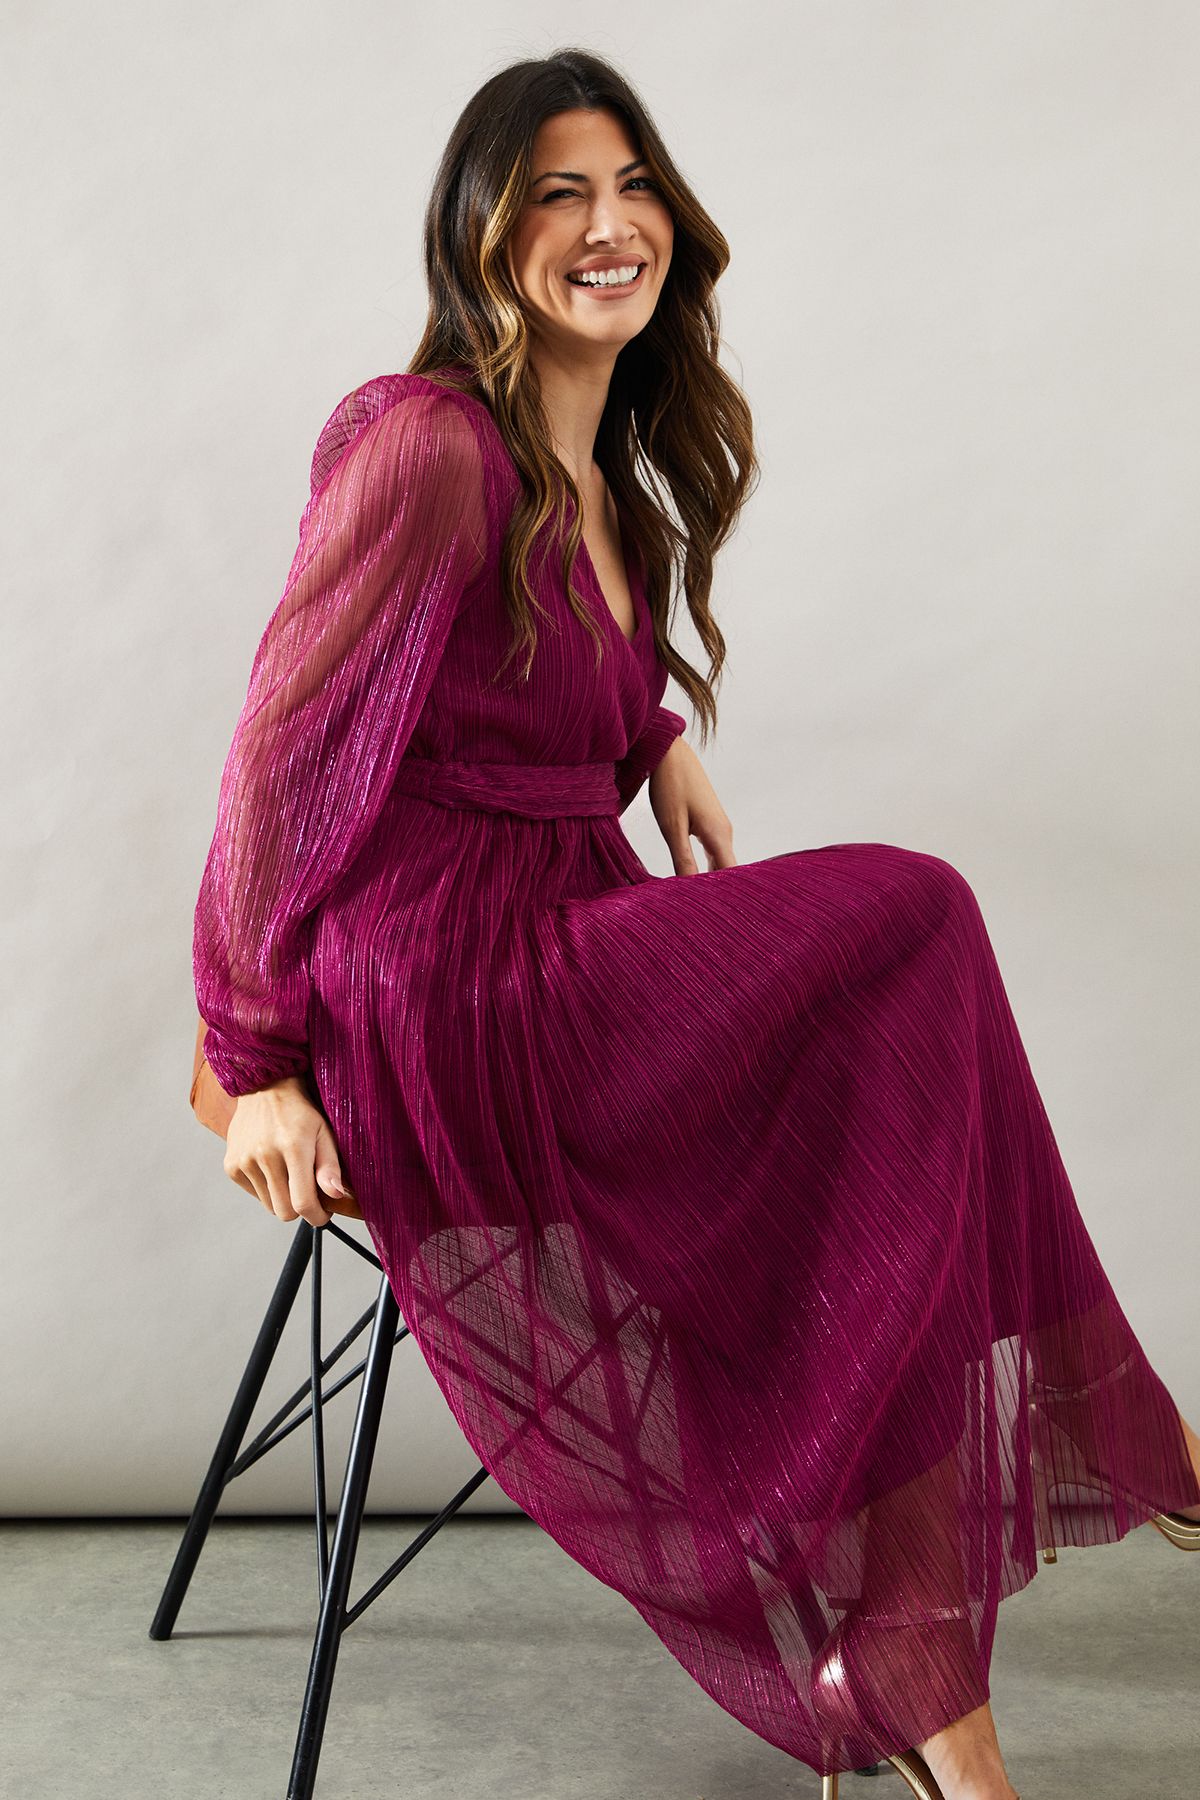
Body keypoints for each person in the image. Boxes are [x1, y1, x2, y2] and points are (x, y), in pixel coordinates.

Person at [191, 47, 1200, 1800]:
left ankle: (913, 1672)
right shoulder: (427, 446)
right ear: (481, 237)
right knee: (914, 919)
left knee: (876, 1094)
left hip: (560, 918)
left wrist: (652, 737)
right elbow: (280, 758)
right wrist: (251, 1059)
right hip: (447, 982)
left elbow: (530, 664)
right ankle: (1088, 1461)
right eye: (559, 195)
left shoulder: (600, 482)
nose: (610, 227)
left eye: (633, 188)